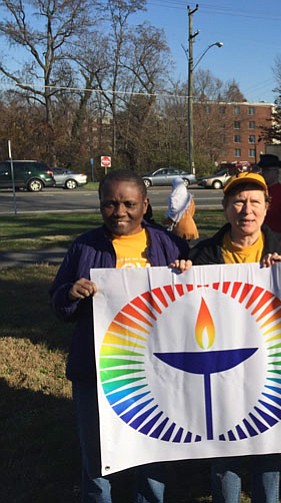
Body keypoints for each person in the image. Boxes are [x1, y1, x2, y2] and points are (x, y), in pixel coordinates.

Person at [49, 169, 190, 502]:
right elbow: (57, 304)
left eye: (128, 203)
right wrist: (70, 294)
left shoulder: (170, 245)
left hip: (155, 369)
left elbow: (193, 306)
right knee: (98, 455)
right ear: (100, 205)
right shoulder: (84, 246)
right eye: (110, 204)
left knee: (152, 448)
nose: (120, 212)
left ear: (144, 204)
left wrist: (188, 278)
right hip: (95, 369)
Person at [189, 171, 281, 503]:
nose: (247, 210)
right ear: (225, 207)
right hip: (222, 368)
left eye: (255, 202)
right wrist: (180, 274)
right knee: (225, 446)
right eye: (238, 202)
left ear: (267, 208)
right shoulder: (202, 256)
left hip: (271, 367)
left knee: (268, 445)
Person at [165, 177, 199, 241]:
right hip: (191, 227)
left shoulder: (174, 198)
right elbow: (192, 211)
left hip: (179, 230)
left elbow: (173, 215)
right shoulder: (189, 197)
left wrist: (165, 221)